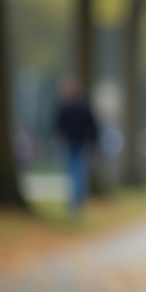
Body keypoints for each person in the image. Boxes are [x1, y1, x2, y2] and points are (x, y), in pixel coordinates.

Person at [53, 77, 98, 217]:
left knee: (78, 174)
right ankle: (74, 202)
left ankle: (77, 203)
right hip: (69, 144)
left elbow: (91, 126)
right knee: (73, 174)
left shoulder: (82, 108)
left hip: (81, 144)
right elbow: (59, 125)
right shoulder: (66, 107)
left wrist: (92, 144)